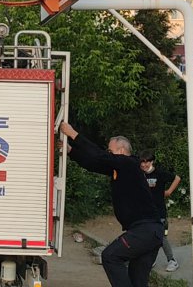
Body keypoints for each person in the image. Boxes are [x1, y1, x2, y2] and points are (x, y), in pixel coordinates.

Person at [60, 122, 162, 287]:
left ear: (121, 151)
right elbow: (93, 163)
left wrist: (73, 134)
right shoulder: (121, 169)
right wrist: (72, 151)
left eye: (110, 150)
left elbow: (99, 156)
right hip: (149, 232)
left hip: (146, 230)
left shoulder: (129, 163)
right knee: (137, 282)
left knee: (110, 256)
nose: (108, 153)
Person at [139, 150, 182, 272]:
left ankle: (172, 260)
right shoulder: (140, 174)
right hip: (145, 212)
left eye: (147, 162)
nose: (144, 165)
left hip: (159, 212)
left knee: (161, 237)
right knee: (147, 236)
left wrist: (168, 192)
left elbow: (177, 178)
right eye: (142, 162)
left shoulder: (159, 173)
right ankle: (150, 260)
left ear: (152, 162)